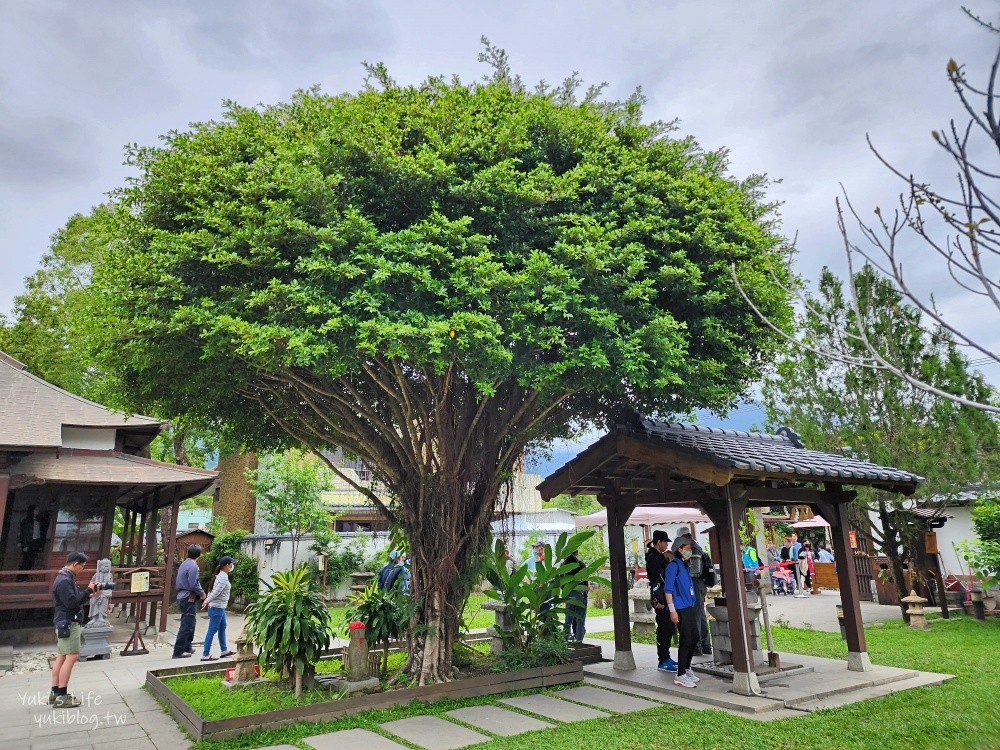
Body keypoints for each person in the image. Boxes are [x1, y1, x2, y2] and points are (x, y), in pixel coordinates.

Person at [49, 551, 99, 707]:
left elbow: (73, 599)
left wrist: (88, 595)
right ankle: (62, 695)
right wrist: (89, 590)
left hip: (63, 622)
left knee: (62, 656)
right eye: (82, 566)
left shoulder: (63, 578)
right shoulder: (65, 581)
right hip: (69, 623)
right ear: (75, 564)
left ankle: (55, 692)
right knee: (71, 656)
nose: (82, 569)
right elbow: (72, 603)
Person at [664, 538, 700, 688]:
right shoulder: (673, 566)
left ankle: (686, 668)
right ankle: (680, 675)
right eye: (687, 547)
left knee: (694, 637)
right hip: (680, 607)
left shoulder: (684, 565)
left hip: (689, 605)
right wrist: (673, 611)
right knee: (686, 639)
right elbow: (668, 590)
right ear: (679, 549)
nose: (689, 550)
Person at [676, 526, 714, 655]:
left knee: (696, 616)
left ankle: (697, 646)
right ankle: (706, 645)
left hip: (696, 585)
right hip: (700, 585)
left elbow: (694, 571)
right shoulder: (696, 546)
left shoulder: (692, 549)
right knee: (700, 615)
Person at [646, 530, 677, 672]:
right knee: (664, 629)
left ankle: (667, 656)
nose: (666, 545)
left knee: (669, 628)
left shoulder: (658, 556)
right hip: (659, 598)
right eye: (665, 542)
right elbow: (657, 580)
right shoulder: (654, 558)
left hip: (663, 597)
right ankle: (663, 660)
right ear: (659, 542)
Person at [173, 544, 206, 659]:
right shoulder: (193, 566)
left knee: (190, 622)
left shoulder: (184, 563)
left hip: (183, 595)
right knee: (187, 624)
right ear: (199, 554)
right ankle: (178, 650)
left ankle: (187, 646)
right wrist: (202, 593)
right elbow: (194, 584)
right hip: (188, 596)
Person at [201, 556, 236, 661]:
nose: (232, 566)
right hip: (217, 607)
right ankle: (205, 654)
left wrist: (208, 600)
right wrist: (207, 601)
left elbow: (211, 590)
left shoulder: (221, 576)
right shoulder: (223, 578)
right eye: (231, 564)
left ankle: (224, 650)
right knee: (212, 630)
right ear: (226, 565)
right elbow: (215, 592)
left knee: (222, 627)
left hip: (219, 607)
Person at [563, 551, 588, 642]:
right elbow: (585, 581)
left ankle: (564, 641)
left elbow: (561, 581)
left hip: (569, 594)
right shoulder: (581, 564)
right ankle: (579, 641)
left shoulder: (564, 566)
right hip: (581, 594)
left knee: (568, 621)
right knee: (580, 619)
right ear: (576, 553)